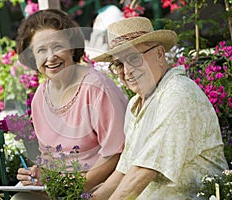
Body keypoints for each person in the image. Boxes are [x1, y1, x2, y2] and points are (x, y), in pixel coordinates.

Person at [90, 16, 228, 200]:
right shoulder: (136, 104)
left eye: (134, 58)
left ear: (160, 54)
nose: (127, 70)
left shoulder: (178, 92)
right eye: (119, 64)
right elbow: (124, 171)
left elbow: (144, 171)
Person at [12, 9, 128, 199]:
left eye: (57, 46)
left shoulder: (96, 88)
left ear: (72, 48)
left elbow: (115, 156)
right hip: (61, 190)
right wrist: (39, 175)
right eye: (41, 50)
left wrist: (72, 189)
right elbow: (50, 156)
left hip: (100, 189)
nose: (51, 57)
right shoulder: (40, 96)